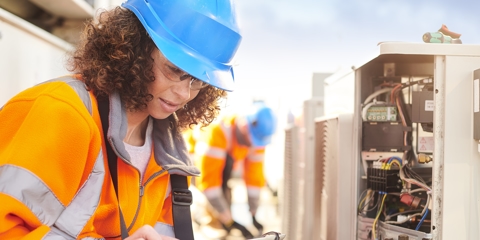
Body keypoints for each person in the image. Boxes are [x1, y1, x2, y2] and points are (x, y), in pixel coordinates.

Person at [0, 0, 242, 239]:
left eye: (197, 80)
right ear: (134, 49)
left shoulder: (172, 157)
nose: (184, 93)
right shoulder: (62, 113)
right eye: (174, 69)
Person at [185, 102, 277, 239]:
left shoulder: (256, 139)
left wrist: (253, 214)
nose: (253, 145)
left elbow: (254, 178)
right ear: (244, 126)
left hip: (220, 172)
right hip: (192, 167)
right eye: (252, 140)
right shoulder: (217, 131)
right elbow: (208, 183)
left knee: (225, 196)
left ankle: (221, 225)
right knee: (212, 213)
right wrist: (229, 221)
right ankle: (210, 228)